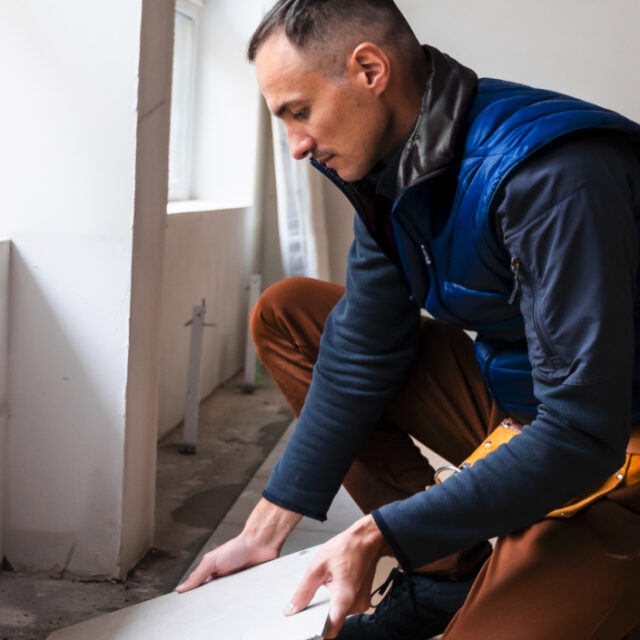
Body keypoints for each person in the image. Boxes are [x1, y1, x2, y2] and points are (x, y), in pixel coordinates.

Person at [176, 1, 640, 637]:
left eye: (299, 111)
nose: (297, 146)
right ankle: (450, 567)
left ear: (370, 69)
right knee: (290, 315)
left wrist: (382, 530)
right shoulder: (389, 173)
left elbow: (583, 431)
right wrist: (264, 528)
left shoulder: (552, 177)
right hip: (532, 410)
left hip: (607, 438)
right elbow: (361, 349)